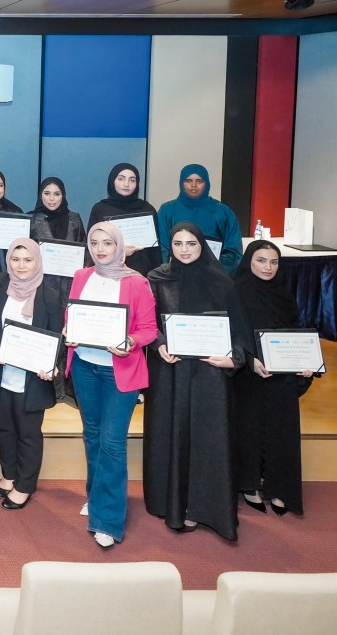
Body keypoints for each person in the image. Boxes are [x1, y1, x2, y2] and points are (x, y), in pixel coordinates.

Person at [143, 222, 252, 539]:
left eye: (191, 242)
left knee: (206, 438)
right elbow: (148, 321)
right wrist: (159, 344)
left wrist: (234, 358)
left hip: (209, 375)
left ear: (202, 245)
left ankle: (202, 506)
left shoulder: (221, 281)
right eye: (178, 243)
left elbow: (239, 331)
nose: (185, 249)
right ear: (170, 246)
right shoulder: (157, 278)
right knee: (170, 432)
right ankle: (171, 503)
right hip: (171, 373)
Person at [65, 222, 158, 549]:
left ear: (118, 245)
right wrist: (69, 331)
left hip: (120, 370)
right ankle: (97, 494)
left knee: (113, 442)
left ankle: (108, 519)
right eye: (94, 242)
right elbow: (72, 316)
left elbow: (149, 329)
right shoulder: (81, 277)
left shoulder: (137, 282)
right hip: (85, 368)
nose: (100, 248)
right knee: (92, 434)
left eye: (107, 242)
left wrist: (131, 340)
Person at [233, 240, 312, 516]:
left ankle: (279, 487)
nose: (268, 267)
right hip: (248, 373)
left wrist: (305, 361)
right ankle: (249, 484)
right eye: (261, 260)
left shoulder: (283, 293)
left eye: (274, 262)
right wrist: (249, 359)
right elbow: (231, 333)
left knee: (281, 428)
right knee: (249, 428)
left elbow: (295, 332)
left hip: (281, 372)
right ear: (249, 261)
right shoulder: (236, 290)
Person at [0, 237, 62, 510]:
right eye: (15, 259)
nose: (21, 266)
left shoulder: (50, 296)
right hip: (1, 374)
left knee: (28, 433)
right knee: (4, 428)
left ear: (37, 262)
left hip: (32, 379)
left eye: (28, 260)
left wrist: (52, 364)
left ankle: (25, 485)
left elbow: (57, 337)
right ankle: (9, 475)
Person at [155, 164, 242, 274]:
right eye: (188, 181)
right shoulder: (167, 210)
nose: (194, 185)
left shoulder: (223, 212)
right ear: (181, 183)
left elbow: (233, 252)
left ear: (207, 183)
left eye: (199, 181)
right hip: (175, 277)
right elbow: (163, 248)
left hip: (212, 277)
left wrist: (214, 271)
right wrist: (168, 273)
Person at [87, 163, 162, 277]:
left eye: (132, 180)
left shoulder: (147, 209)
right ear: (112, 181)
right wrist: (120, 252)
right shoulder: (100, 209)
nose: (126, 184)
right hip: (108, 272)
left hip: (141, 273)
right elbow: (92, 246)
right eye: (121, 179)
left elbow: (155, 252)